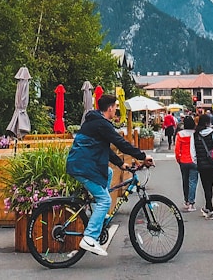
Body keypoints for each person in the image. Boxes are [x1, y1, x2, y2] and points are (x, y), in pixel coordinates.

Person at [65, 94, 153, 258]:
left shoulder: (95, 121)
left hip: (82, 164)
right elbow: (120, 142)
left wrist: (120, 164)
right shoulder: (101, 124)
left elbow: (105, 148)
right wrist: (142, 156)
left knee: (109, 172)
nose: (116, 111)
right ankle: (90, 237)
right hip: (83, 167)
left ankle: (100, 212)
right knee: (105, 200)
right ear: (111, 107)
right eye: (115, 108)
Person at [192, 112, 213, 220]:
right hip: (212, 164)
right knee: (211, 185)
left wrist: (196, 161)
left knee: (206, 186)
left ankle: (209, 207)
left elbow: (193, 151)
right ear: (207, 123)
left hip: (201, 164)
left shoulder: (195, 134)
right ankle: (209, 207)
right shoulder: (212, 133)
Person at [174, 115, 198, 212]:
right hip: (194, 160)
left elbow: (177, 149)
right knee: (193, 182)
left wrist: (178, 159)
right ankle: (191, 203)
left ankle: (186, 201)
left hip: (183, 160)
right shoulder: (195, 134)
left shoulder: (180, 134)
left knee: (185, 181)